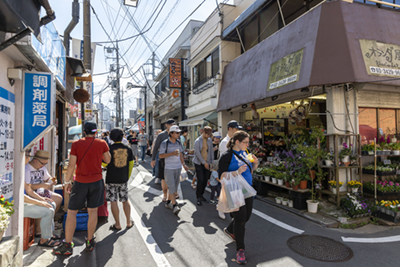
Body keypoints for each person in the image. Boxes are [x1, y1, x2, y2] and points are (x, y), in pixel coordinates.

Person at [54, 122, 111, 256]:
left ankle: (67, 244)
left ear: (84, 131)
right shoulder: (102, 143)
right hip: (97, 182)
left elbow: (72, 164)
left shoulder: (76, 144)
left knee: (72, 212)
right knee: (93, 212)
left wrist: (67, 182)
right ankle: (90, 241)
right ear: (95, 132)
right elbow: (108, 160)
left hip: (80, 182)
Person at [218, 131, 258, 265]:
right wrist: (236, 172)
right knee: (240, 219)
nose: (247, 144)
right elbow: (221, 176)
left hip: (247, 188)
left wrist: (256, 163)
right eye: (245, 142)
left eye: (248, 142)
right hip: (234, 189)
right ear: (237, 142)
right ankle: (240, 250)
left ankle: (230, 229)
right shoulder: (226, 156)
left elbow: (251, 170)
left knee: (246, 216)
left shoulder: (246, 153)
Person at [24, 150, 61, 247]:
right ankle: (42, 236)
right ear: (34, 160)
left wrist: (42, 199)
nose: (43, 165)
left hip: (38, 193)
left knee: (54, 201)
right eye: (42, 163)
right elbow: (28, 192)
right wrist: (40, 201)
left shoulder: (40, 168)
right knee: (48, 208)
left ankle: (47, 233)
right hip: (29, 197)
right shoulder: (25, 169)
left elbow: (29, 190)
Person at [105, 128, 134, 230]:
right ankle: (128, 222)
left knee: (113, 201)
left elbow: (104, 163)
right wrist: (127, 176)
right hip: (123, 179)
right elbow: (131, 164)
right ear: (122, 137)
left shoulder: (109, 148)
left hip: (111, 178)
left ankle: (117, 224)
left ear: (111, 137)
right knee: (125, 200)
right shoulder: (128, 148)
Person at [159, 125, 188, 215]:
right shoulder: (165, 143)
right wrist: (172, 153)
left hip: (178, 167)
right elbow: (161, 155)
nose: (179, 134)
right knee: (171, 186)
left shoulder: (179, 142)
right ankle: (175, 205)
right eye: (177, 132)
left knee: (174, 187)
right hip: (169, 168)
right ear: (171, 133)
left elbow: (181, 154)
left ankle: (168, 202)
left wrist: (183, 164)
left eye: (179, 132)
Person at [151, 119, 175, 201]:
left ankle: (171, 195)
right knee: (164, 178)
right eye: (171, 124)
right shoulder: (161, 135)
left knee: (173, 178)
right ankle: (165, 194)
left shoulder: (175, 134)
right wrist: (153, 159)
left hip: (173, 160)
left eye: (173, 124)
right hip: (163, 160)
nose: (172, 126)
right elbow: (155, 147)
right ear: (166, 125)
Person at [193, 126, 214, 206]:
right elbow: (197, 153)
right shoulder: (197, 141)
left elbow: (211, 151)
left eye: (210, 134)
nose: (209, 136)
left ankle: (201, 194)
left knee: (205, 179)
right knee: (200, 179)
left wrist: (211, 162)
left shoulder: (209, 141)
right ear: (204, 133)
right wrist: (203, 162)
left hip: (207, 162)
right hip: (199, 163)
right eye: (208, 134)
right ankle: (198, 197)